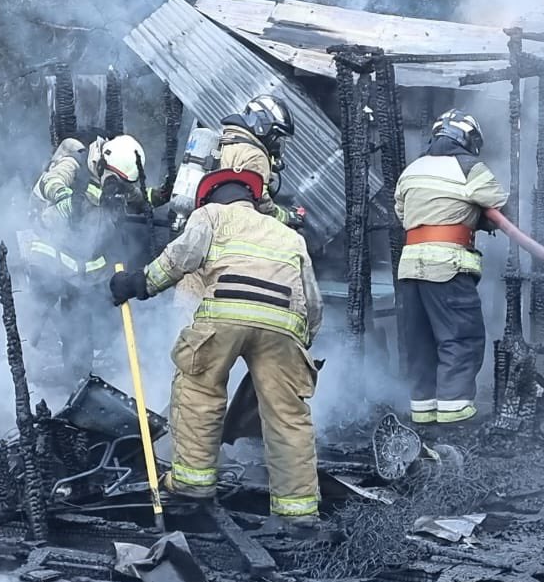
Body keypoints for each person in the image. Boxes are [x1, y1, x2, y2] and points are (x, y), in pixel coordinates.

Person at [109, 167, 324, 526]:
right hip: (284, 326)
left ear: (208, 197)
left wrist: (136, 285)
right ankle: (298, 513)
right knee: (288, 416)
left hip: (224, 315)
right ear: (253, 200)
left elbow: (180, 259)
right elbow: (313, 302)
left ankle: (192, 482)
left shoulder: (209, 215)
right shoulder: (289, 236)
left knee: (199, 391)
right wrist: (303, 342)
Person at [394, 109, 508, 426]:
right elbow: (500, 207)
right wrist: (477, 217)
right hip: (447, 268)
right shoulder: (469, 166)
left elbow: (403, 215)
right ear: (468, 138)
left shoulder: (411, 170)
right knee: (460, 340)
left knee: (421, 343)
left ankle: (423, 415)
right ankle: (454, 419)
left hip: (410, 269)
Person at [21, 134, 151, 376]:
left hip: (80, 273)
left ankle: (79, 387)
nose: (116, 185)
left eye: (122, 182)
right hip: (49, 261)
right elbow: (51, 181)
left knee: (78, 331)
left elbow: (139, 197)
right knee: (32, 323)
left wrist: (159, 196)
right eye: (114, 178)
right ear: (103, 163)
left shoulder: (120, 187)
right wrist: (62, 196)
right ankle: (10, 377)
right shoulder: (75, 164)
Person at [218, 94, 305, 230]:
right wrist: (288, 217)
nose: (277, 143)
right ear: (264, 126)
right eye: (277, 136)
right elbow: (262, 203)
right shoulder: (255, 155)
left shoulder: (229, 140)